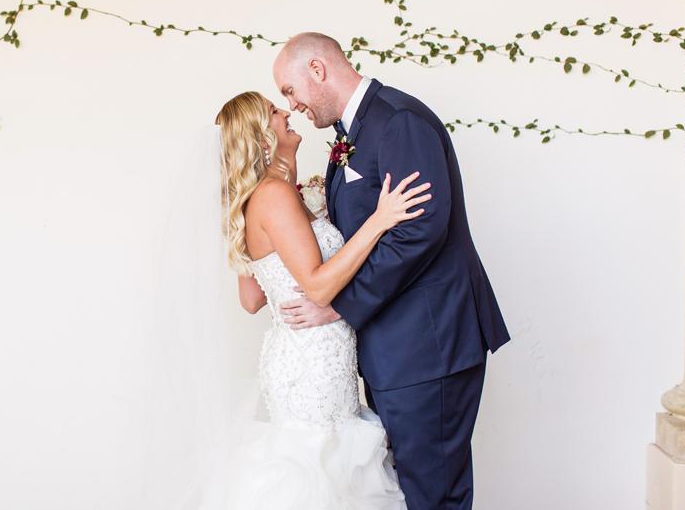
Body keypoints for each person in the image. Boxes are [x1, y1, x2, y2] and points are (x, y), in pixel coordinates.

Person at [270, 32, 511, 510]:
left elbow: (419, 230)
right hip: (395, 350)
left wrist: (340, 306)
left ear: (317, 69)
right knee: (409, 491)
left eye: (290, 90)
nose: (292, 105)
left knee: (432, 496)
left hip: (428, 344)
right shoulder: (354, 132)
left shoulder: (398, 121)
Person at [211, 90, 431, 509]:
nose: (286, 111)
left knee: (323, 471)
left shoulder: (264, 195)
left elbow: (252, 298)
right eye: (273, 111)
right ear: (261, 136)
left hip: (299, 353)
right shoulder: (273, 195)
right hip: (313, 361)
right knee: (324, 473)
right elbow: (317, 286)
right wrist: (379, 221)